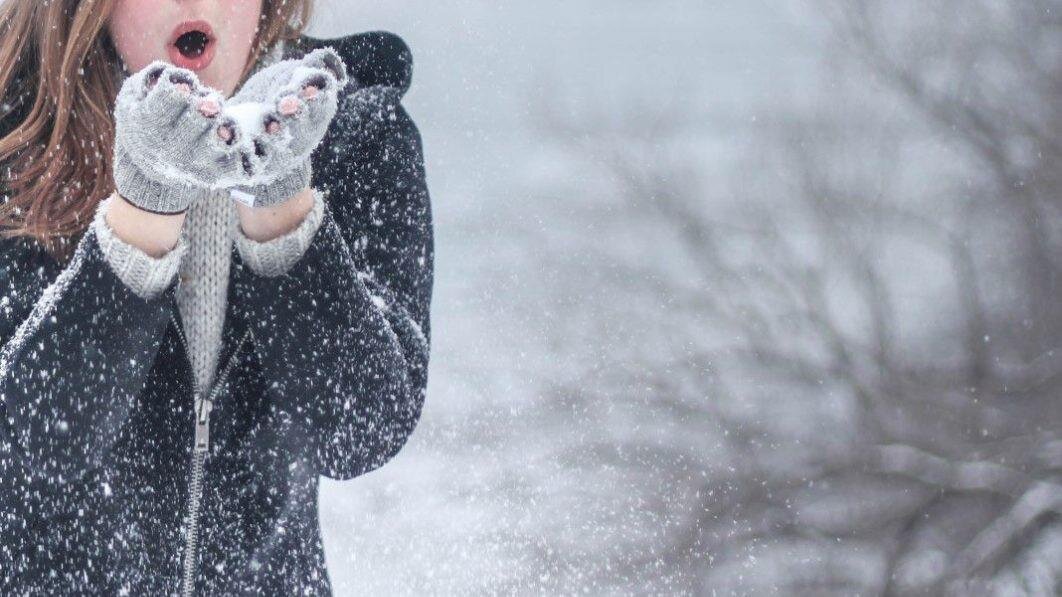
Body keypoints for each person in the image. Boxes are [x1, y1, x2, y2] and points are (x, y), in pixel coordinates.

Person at [0, 0, 434, 594]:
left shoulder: (353, 131)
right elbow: (29, 444)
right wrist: (144, 210)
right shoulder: (16, 139)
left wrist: (281, 205)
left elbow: (361, 432)